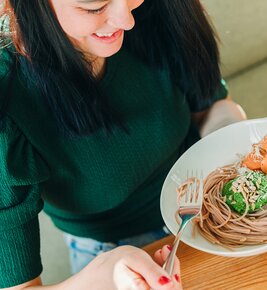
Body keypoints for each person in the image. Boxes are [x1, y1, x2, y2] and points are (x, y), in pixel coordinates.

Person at [0, 0, 247, 289]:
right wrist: (108, 270)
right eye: (95, 7)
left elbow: (210, 106)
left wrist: (237, 149)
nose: (127, 20)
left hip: (209, 202)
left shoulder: (155, 9)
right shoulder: (8, 99)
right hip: (108, 254)